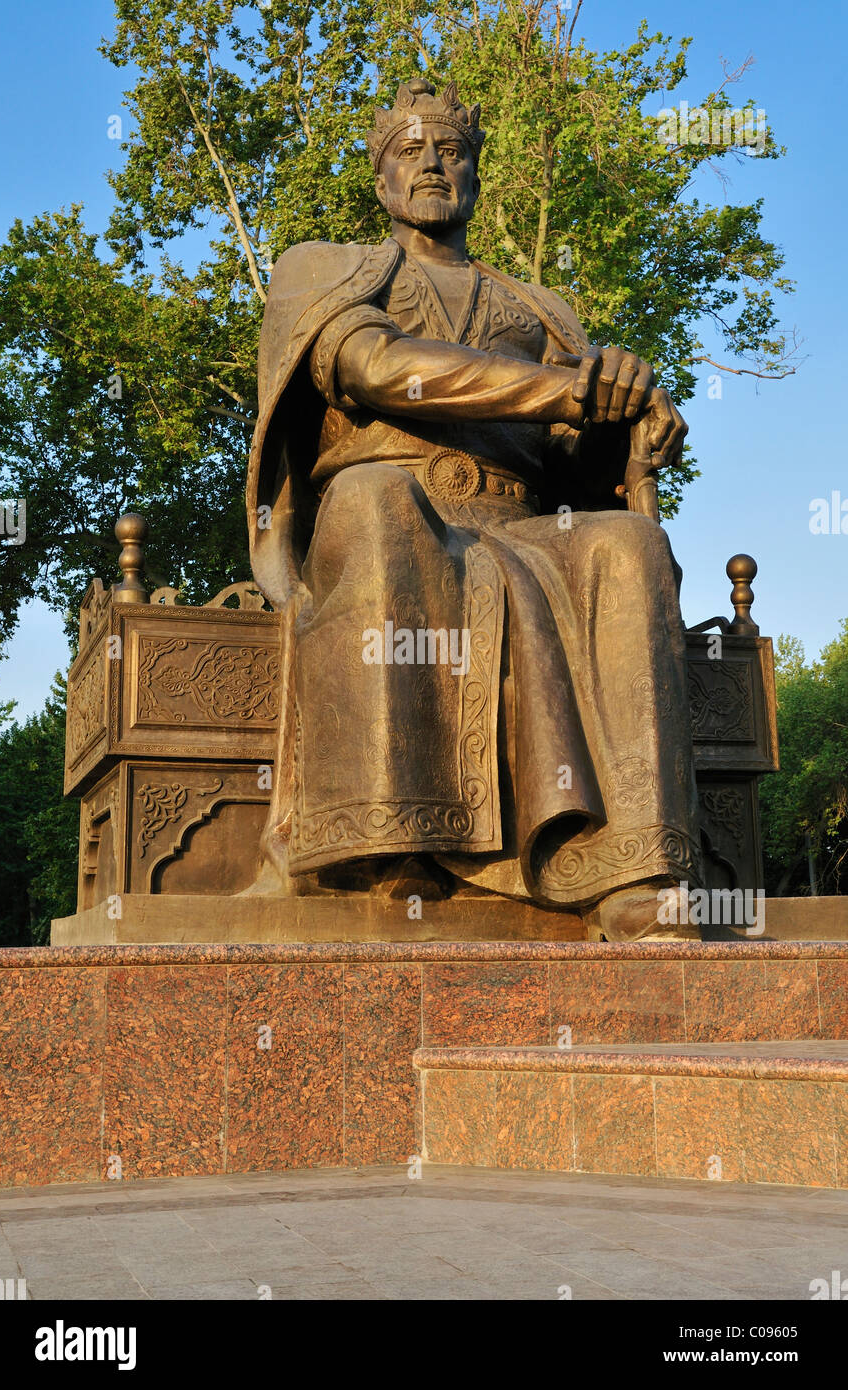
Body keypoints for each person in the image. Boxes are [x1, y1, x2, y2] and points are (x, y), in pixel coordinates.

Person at [246, 77, 702, 940]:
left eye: (449, 152)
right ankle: (396, 839)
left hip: (523, 526)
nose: (430, 166)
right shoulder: (325, 269)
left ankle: (632, 866)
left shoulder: (539, 308)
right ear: (379, 181)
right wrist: (565, 390)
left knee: (626, 545)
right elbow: (373, 370)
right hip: (390, 510)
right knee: (380, 501)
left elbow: (580, 462)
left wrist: (627, 413)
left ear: (475, 178)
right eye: (408, 152)